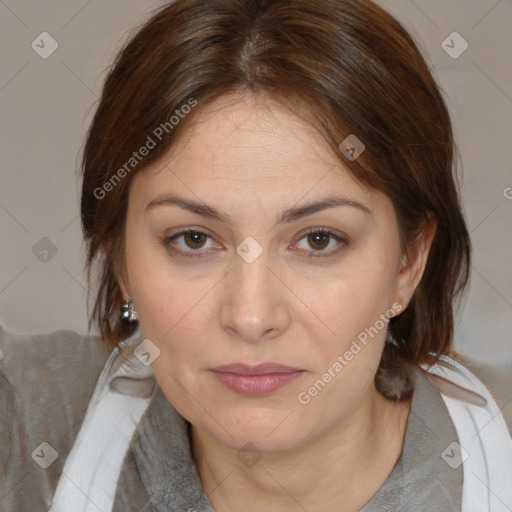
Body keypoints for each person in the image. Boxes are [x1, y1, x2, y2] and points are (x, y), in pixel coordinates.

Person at [1, 0, 511, 510]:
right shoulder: (28, 428)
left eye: (318, 240)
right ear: (120, 262)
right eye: (193, 239)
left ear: (408, 263)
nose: (250, 316)